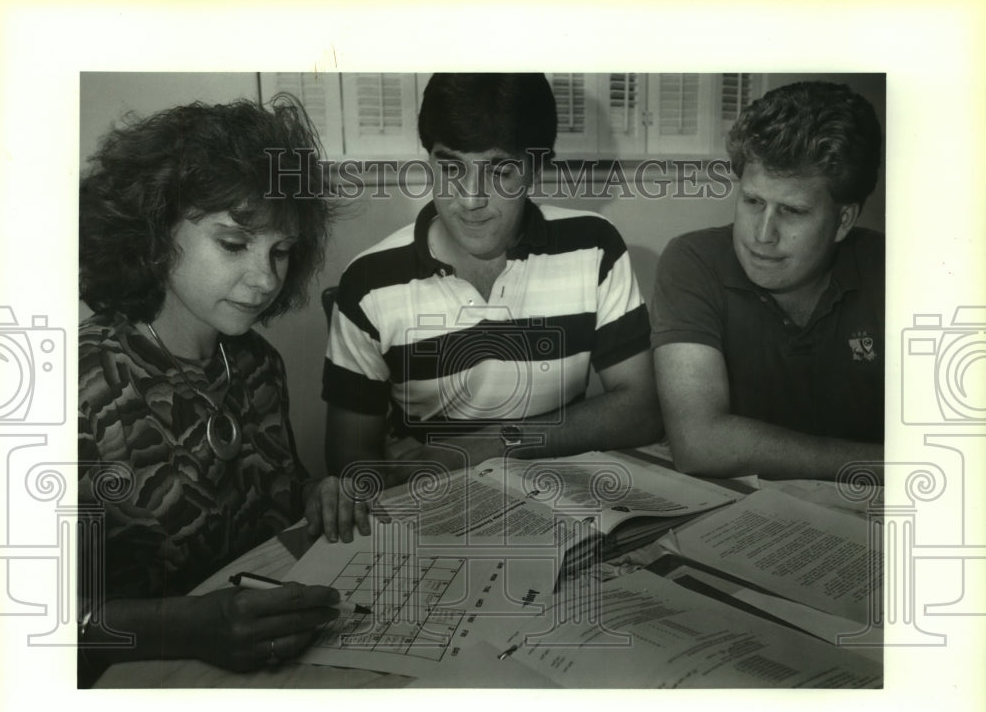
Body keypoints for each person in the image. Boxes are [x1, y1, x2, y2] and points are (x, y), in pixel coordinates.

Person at [312, 73, 662, 541]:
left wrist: (491, 445)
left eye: (500, 171)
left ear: (535, 169)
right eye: (451, 167)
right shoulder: (368, 281)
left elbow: (641, 410)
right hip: (435, 518)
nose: (471, 200)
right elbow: (350, 461)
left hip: (564, 509)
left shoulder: (595, 246)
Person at [77, 96, 348, 686]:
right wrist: (188, 627)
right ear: (153, 231)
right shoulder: (76, 384)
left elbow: (263, 509)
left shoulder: (256, 363)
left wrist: (313, 493)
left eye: (280, 251)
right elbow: (23, 618)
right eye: (233, 244)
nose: (266, 278)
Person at [651, 81, 884, 481]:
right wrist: (886, 464)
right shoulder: (693, 261)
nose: (762, 234)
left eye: (792, 211)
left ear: (843, 220)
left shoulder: (896, 270)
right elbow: (699, 443)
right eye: (753, 201)